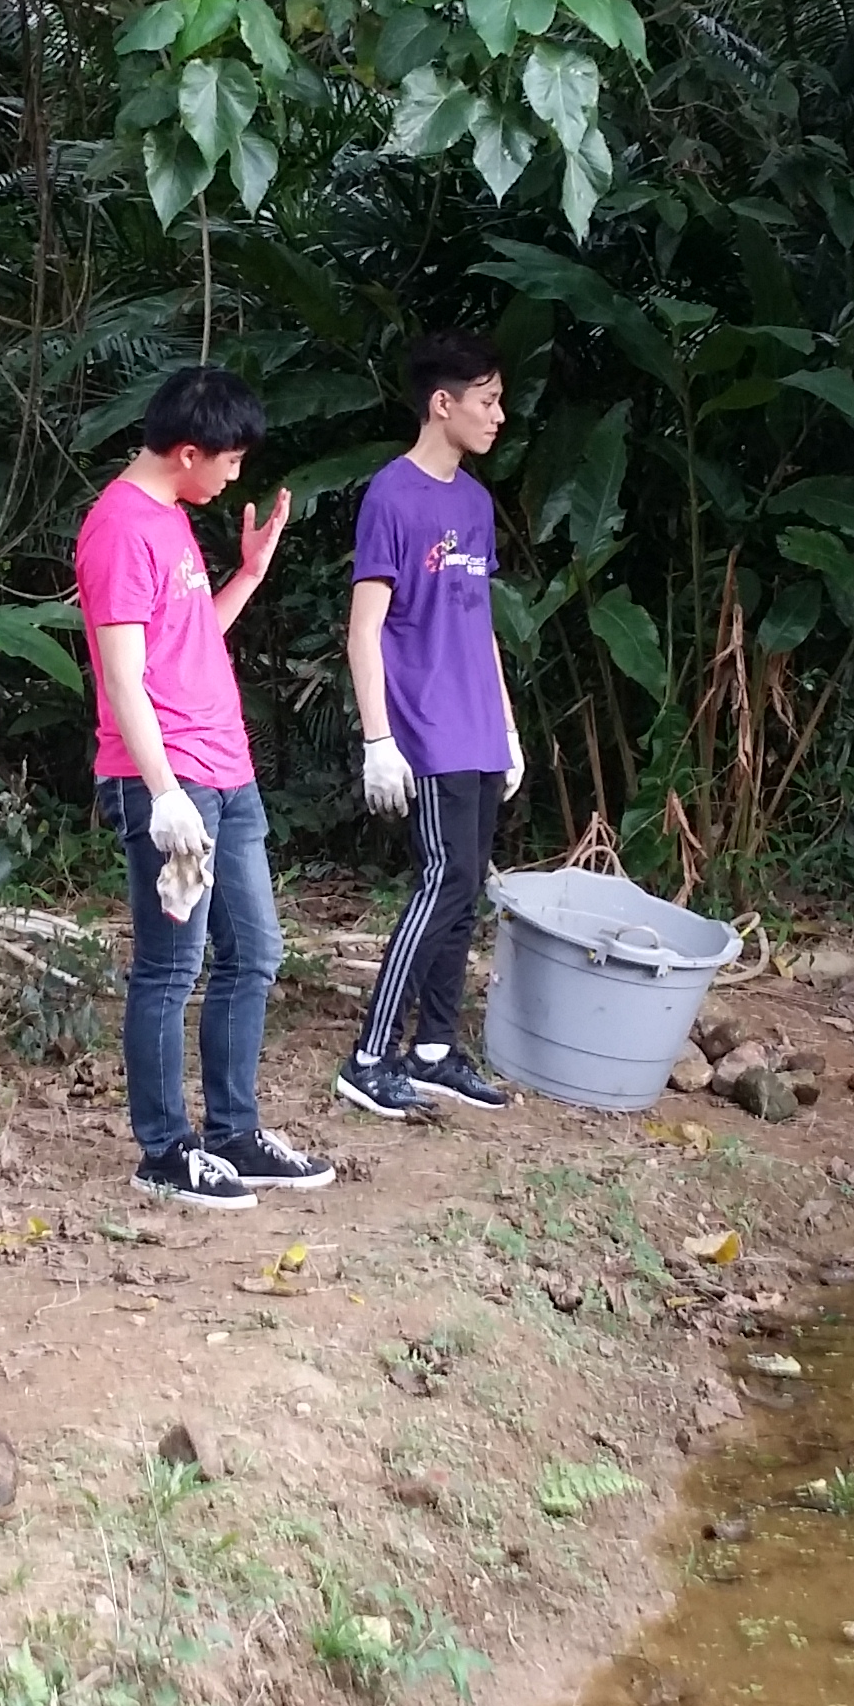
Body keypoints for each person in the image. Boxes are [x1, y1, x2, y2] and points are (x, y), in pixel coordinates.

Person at [74, 365, 329, 1209]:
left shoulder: (172, 520)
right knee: (171, 967)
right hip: (173, 784)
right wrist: (164, 793)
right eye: (228, 460)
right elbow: (122, 677)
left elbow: (188, 644)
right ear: (189, 451)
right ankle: (165, 1149)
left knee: (253, 953)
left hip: (228, 774)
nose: (234, 476)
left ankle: (234, 1134)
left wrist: (249, 575)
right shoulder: (119, 528)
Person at [338, 329, 527, 1122]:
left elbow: (478, 624)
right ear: (442, 404)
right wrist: (379, 740)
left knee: (466, 891)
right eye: (487, 401)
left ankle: (436, 1050)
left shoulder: (476, 505)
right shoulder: (392, 494)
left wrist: (509, 729)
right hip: (426, 728)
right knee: (440, 882)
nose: (499, 417)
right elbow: (364, 628)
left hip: (479, 727)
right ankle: (370, 1056)